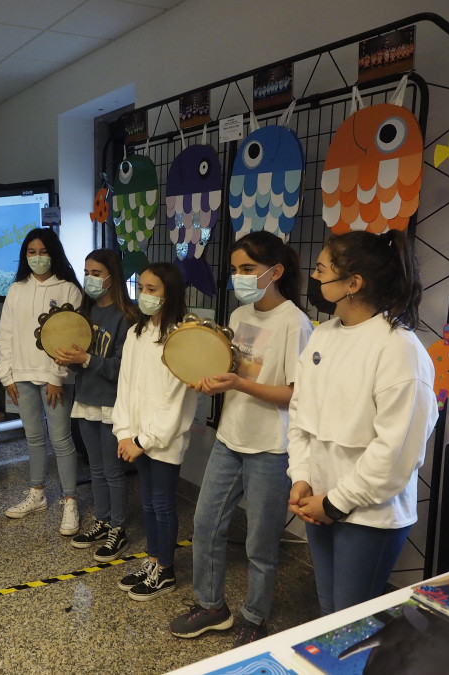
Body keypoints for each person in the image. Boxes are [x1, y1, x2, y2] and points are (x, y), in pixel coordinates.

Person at [169, 231, 313, 646]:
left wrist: (239, 384)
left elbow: (294, 393)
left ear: (276, 271)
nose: (239, 277)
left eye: (248, 269)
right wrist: (215, 383)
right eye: (235, 270)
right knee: (205, 524)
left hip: (271, 447)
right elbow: (228, 371)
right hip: (230, 438)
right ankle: (212, 607)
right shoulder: (237, 316)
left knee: (261, 541)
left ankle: (255, 617)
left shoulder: (295, 323)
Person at [287, 229, 438, 615]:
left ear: (353, 283)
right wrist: (301, 475)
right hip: (317, 499)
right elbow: (301, 416)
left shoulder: (399, 349)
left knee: (351, 617)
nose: (315, 277)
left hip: (368, 514)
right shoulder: (322, 336)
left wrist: (336, 504)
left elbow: (395, 454)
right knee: (328, 613)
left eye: (322, 270)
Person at [111, 262, 198, 600]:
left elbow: (175, 403)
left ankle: (166, 571)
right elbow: (126, 386)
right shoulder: (137, 332)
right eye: (141, 288)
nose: (144, 295)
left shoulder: (181, 338)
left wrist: (143, 441)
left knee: (162, 504)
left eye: (152, 290)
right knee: (147, 503)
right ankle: (153, 560)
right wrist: (124, 433)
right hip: (135, 439)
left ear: (170, 294)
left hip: (161, 441)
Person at [0, 227, 84, 535]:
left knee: (61, 439)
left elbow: (73, 337)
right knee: (33, 437)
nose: (37, 257)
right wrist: (6, 374)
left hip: (54, 379)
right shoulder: (16, 288)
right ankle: (37, 494)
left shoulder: (69, 289)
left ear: (53, 253)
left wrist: (57, 377)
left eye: (43, 251)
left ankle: (70, 501)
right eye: (31, 252)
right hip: (21, 375)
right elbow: (5, 334)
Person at [54, 248, 139, 562]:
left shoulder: (127, 317)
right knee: (97, 468)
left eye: (96, 273)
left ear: (112, 277)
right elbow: (81, 366)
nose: (89, 278)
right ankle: (102, 520)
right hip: (85, 400)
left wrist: (86, 359)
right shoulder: (84, 315)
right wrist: (69, 361)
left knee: (114, 471)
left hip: (112, 406)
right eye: (87, 272)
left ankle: (118, 528)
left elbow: (121, 368)